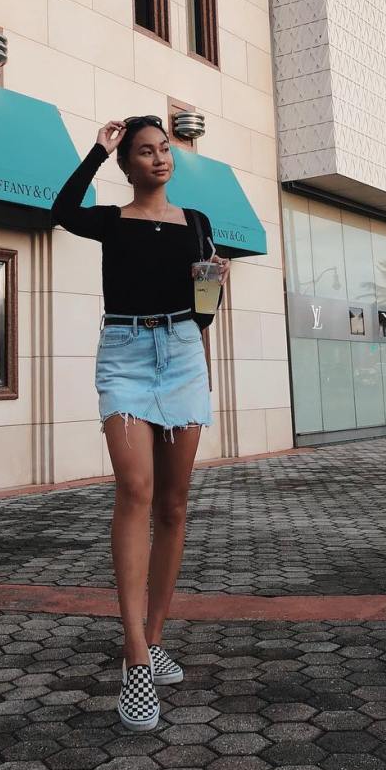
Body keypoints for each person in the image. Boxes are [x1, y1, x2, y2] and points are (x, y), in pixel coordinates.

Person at [51, 116, 230, 731]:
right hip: (125, 357)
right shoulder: (109, 219)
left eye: (165, 150)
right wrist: (96, 152)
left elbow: (204, 314)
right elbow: (62, 209)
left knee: (174, 507)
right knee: (136, 488)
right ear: (128, 163)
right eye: (146, 152)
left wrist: (214, 288)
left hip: (182, 355)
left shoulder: (199, 223)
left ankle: (154, 639)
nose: (160, 159)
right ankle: (133, 659)